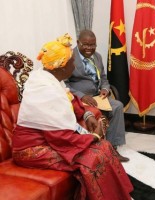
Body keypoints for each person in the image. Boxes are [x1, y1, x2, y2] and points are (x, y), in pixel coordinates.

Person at [12, 33, 133, 200]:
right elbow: (61, 138)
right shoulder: (45, 89)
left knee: (105, 147)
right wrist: (94, 136)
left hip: (48, 139)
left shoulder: (51, 78)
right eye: (72, 62)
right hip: (31, 150)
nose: (74, 64)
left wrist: (88, 113)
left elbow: (72, 100)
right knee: (93, 158)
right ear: (62, 67)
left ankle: (120, 195)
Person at [65, 29, 129, 162]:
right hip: (79, 99)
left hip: (98, 97)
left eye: (92, 45)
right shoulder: (70, 57)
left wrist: (105, 89)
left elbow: (104, 78)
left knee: (117, 106)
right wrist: (81, 96)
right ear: (78, 43)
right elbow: (65, 85)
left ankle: (111, 148)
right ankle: (96, 149)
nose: (89, 48)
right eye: (86, 45)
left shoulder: (97, 56)